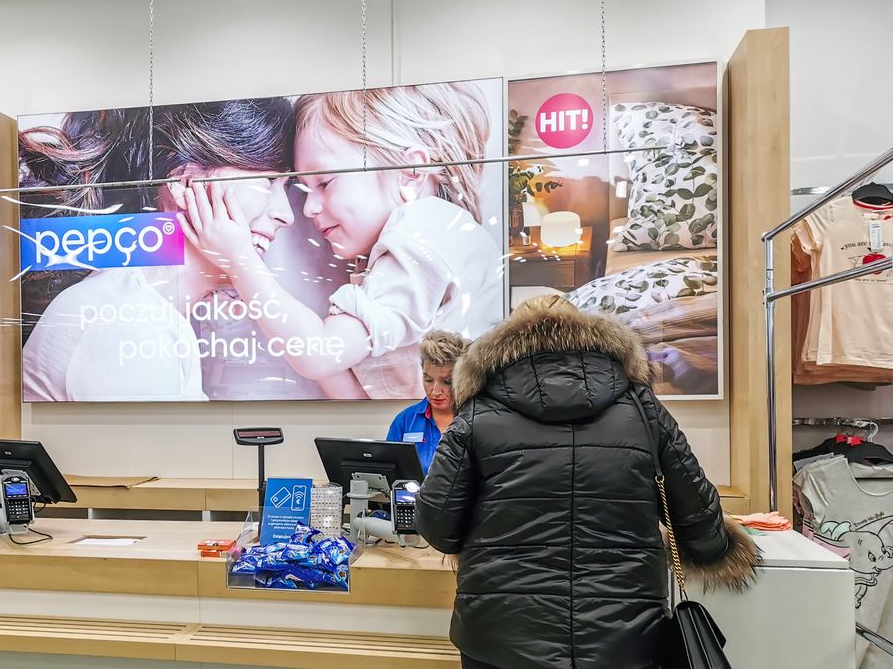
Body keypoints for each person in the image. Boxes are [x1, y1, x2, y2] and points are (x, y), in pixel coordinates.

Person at [415, 295, 759, 669]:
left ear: (503, 346)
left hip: (501, 636)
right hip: (625, 636)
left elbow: (438, 526)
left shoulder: (476, 414)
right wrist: (720, 549)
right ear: (589, 337)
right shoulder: (643, 408)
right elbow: (698, 518)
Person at [179, 83, 503, 399]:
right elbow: (354, 395)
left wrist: (240, 262)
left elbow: (319, 353)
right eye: (305, 190)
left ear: (411, 171)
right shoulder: (418, 248)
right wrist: (257, 299)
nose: (308, 208)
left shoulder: (424, 233)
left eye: (325, 182)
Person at [18, 100, 297, 401]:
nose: (287, 214)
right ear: (187, 183)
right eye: (269, 181)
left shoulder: (141, 309)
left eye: (288, 187)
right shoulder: (130, 323)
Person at [386, 330, 469, 474]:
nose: (435, 391)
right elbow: (389, 473)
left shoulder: (476, 419)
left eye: (447, 382)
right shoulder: (405, 421)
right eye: (428, 380)